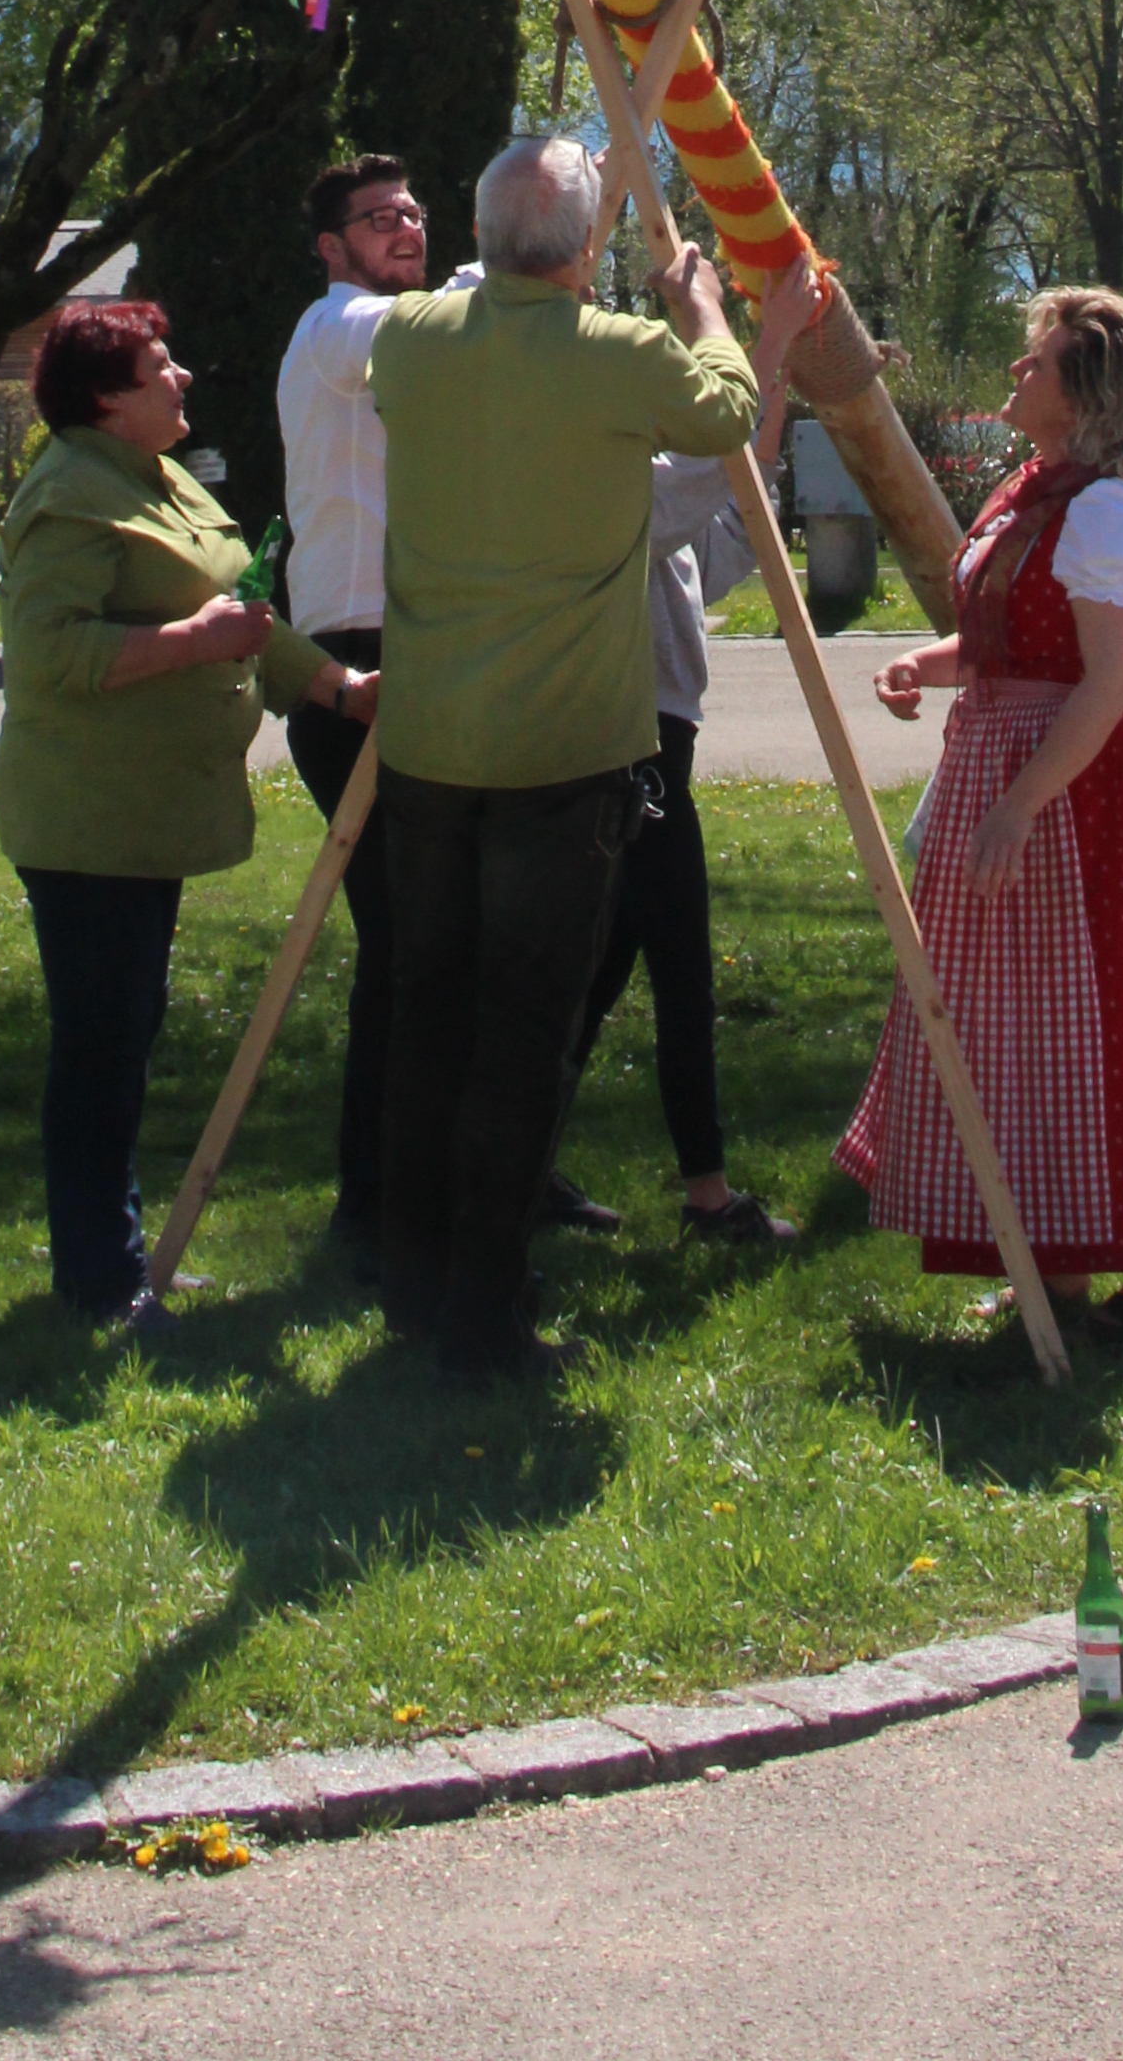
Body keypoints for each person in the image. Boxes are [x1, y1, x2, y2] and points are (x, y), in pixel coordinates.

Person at [367, 129, 787, 1381]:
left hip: (436, 745)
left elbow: (485, 318)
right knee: (521, 1035)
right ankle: (486, 1322)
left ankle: (411, 1282)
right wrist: (703, 301)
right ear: (590, 250)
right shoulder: (621, 354)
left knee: (427, 1019)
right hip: (561, 754)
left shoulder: (408, 346)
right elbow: (727, 411)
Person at [837, 285, 1123, 1337]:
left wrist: (1022, 805)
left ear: (1088, 392)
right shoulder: (1034, 491)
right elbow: (1004, 643)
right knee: (1018, 1026)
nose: (1018, 373)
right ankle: (1067, 1270)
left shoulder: (1105, 508)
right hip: (1008, 763)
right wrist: (923, 666)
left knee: (1101, 1019)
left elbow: (1107, 680)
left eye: (1040, 362)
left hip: (1079, 794)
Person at [0, 301, 372, 1330]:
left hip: (144, 818)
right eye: (161, 367)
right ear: (105, 398)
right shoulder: (70, 495)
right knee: (100, 1048)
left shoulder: (156, 479)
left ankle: (111, 1256)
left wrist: (342, 687)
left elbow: (243, 613)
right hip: (87, 821)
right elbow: (51, 653)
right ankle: (100, 1283)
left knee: (124, 1036)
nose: (185, 379)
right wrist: (190, 644)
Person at [550, 347, 807, 1247]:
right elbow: (704, 478)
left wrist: (767, 390)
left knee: (602, 965)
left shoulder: (665, 505)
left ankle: (520, 1165)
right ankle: (706, 1194)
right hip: (633, 748)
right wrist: (757, 355)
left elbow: (738, 522)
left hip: (667, 746)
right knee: (678, 971)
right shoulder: (611, 493)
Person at [274, 151, 431, 1263]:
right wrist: (515, 283)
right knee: (402, 937)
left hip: (423, 646)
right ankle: (371, 1198)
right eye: (379, 219)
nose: (405, 229)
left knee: (442, 933)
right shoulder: (337, 329)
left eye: (414, 212)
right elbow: (418, 339)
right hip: (354, 665)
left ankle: (475, 1168)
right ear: (335, 248)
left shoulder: (421, 338)